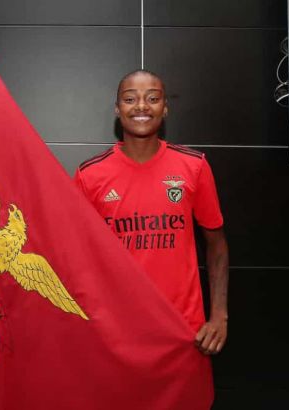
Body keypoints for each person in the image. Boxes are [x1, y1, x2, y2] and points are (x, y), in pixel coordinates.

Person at [73, 70, 229, 357]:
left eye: (153, 98)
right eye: (130, 99)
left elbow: (217, 246)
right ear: (118, 109)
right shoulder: (90, 175)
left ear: (165, 108)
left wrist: (219, 316)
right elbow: (76, 258)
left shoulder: (194, 166)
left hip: (185, 333)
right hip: (116, 333)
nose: (142, 106)